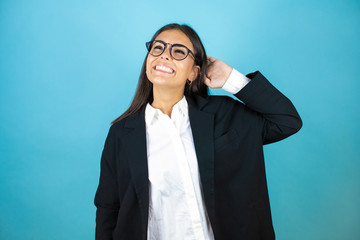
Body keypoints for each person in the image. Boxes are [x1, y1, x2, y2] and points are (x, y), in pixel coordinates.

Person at [94, 23, 302, 240]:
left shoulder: (224, 114)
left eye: (178, 52)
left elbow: (287, 121)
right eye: (158, 48)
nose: (164, 56)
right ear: (148, 62)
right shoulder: (121, 133)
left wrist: (230, 78)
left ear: (194, 72)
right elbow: (108, 207)